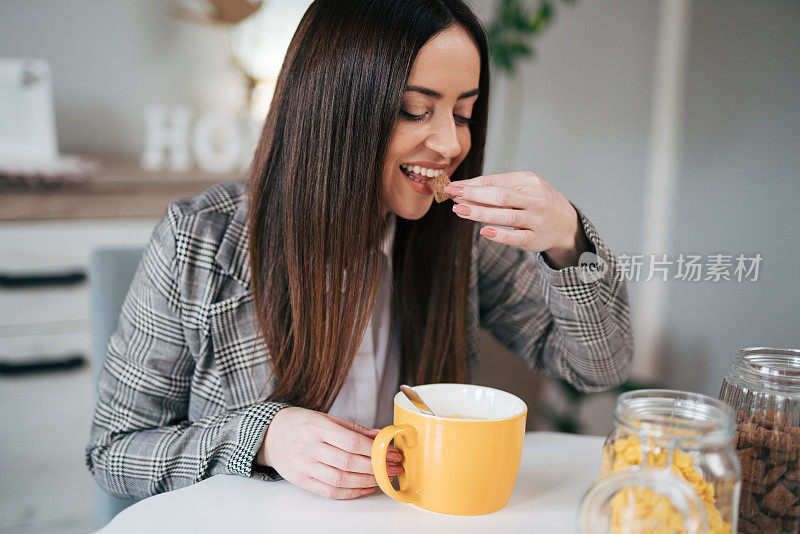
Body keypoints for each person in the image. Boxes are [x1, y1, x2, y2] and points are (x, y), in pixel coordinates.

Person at [86, 0, 633, 502]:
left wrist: (569, 242)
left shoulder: (459, 234)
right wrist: (265, 438)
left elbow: (598, 367)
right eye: (416, 110)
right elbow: (115, 452)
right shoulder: (201, 240)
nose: (450, 145)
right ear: (334, 106)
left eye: (463, 114)